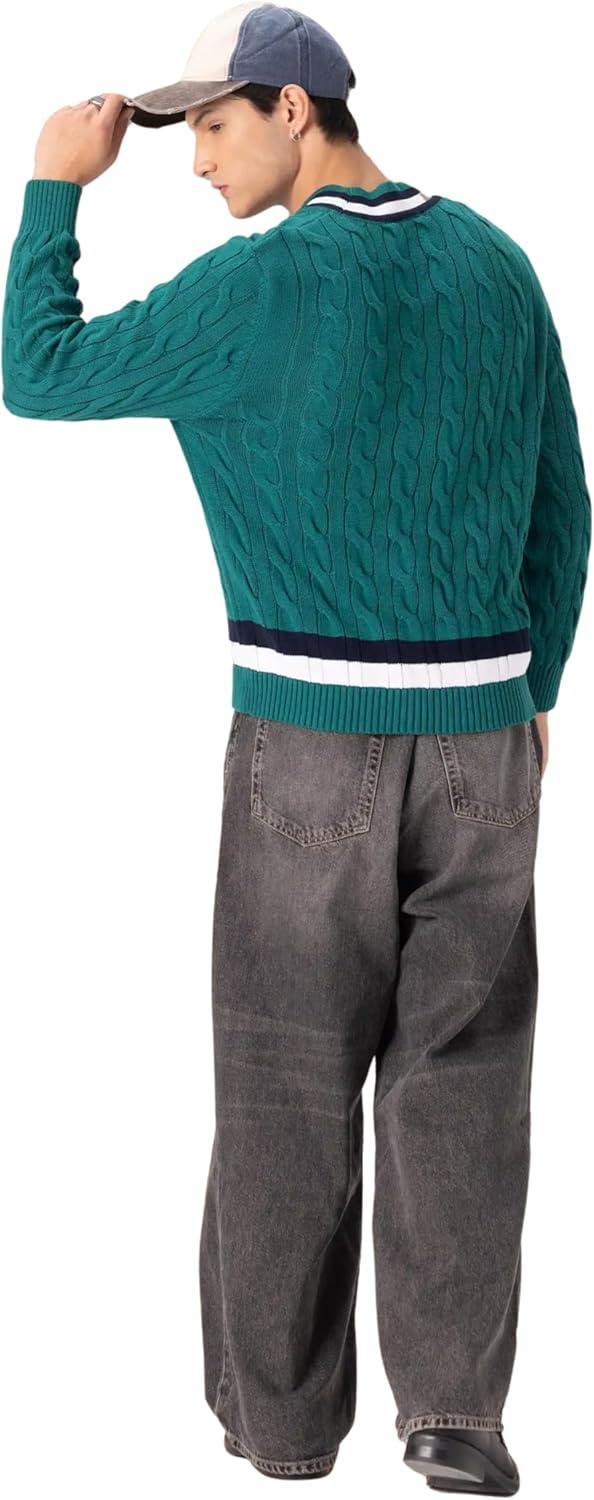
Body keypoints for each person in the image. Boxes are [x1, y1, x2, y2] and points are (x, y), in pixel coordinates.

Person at [2, 3, 591, 1491]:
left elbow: (38, 370)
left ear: (290, 110)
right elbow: (563, 500)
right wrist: (530, 689)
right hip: (486, 747)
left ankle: (280, 1428)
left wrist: (57, 185)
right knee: (466, 1088)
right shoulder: (498, 262)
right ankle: (454, 1418)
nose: (196, 159)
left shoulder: (256, 288)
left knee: (283, 1085)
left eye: (211, 124)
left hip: (309, 749)